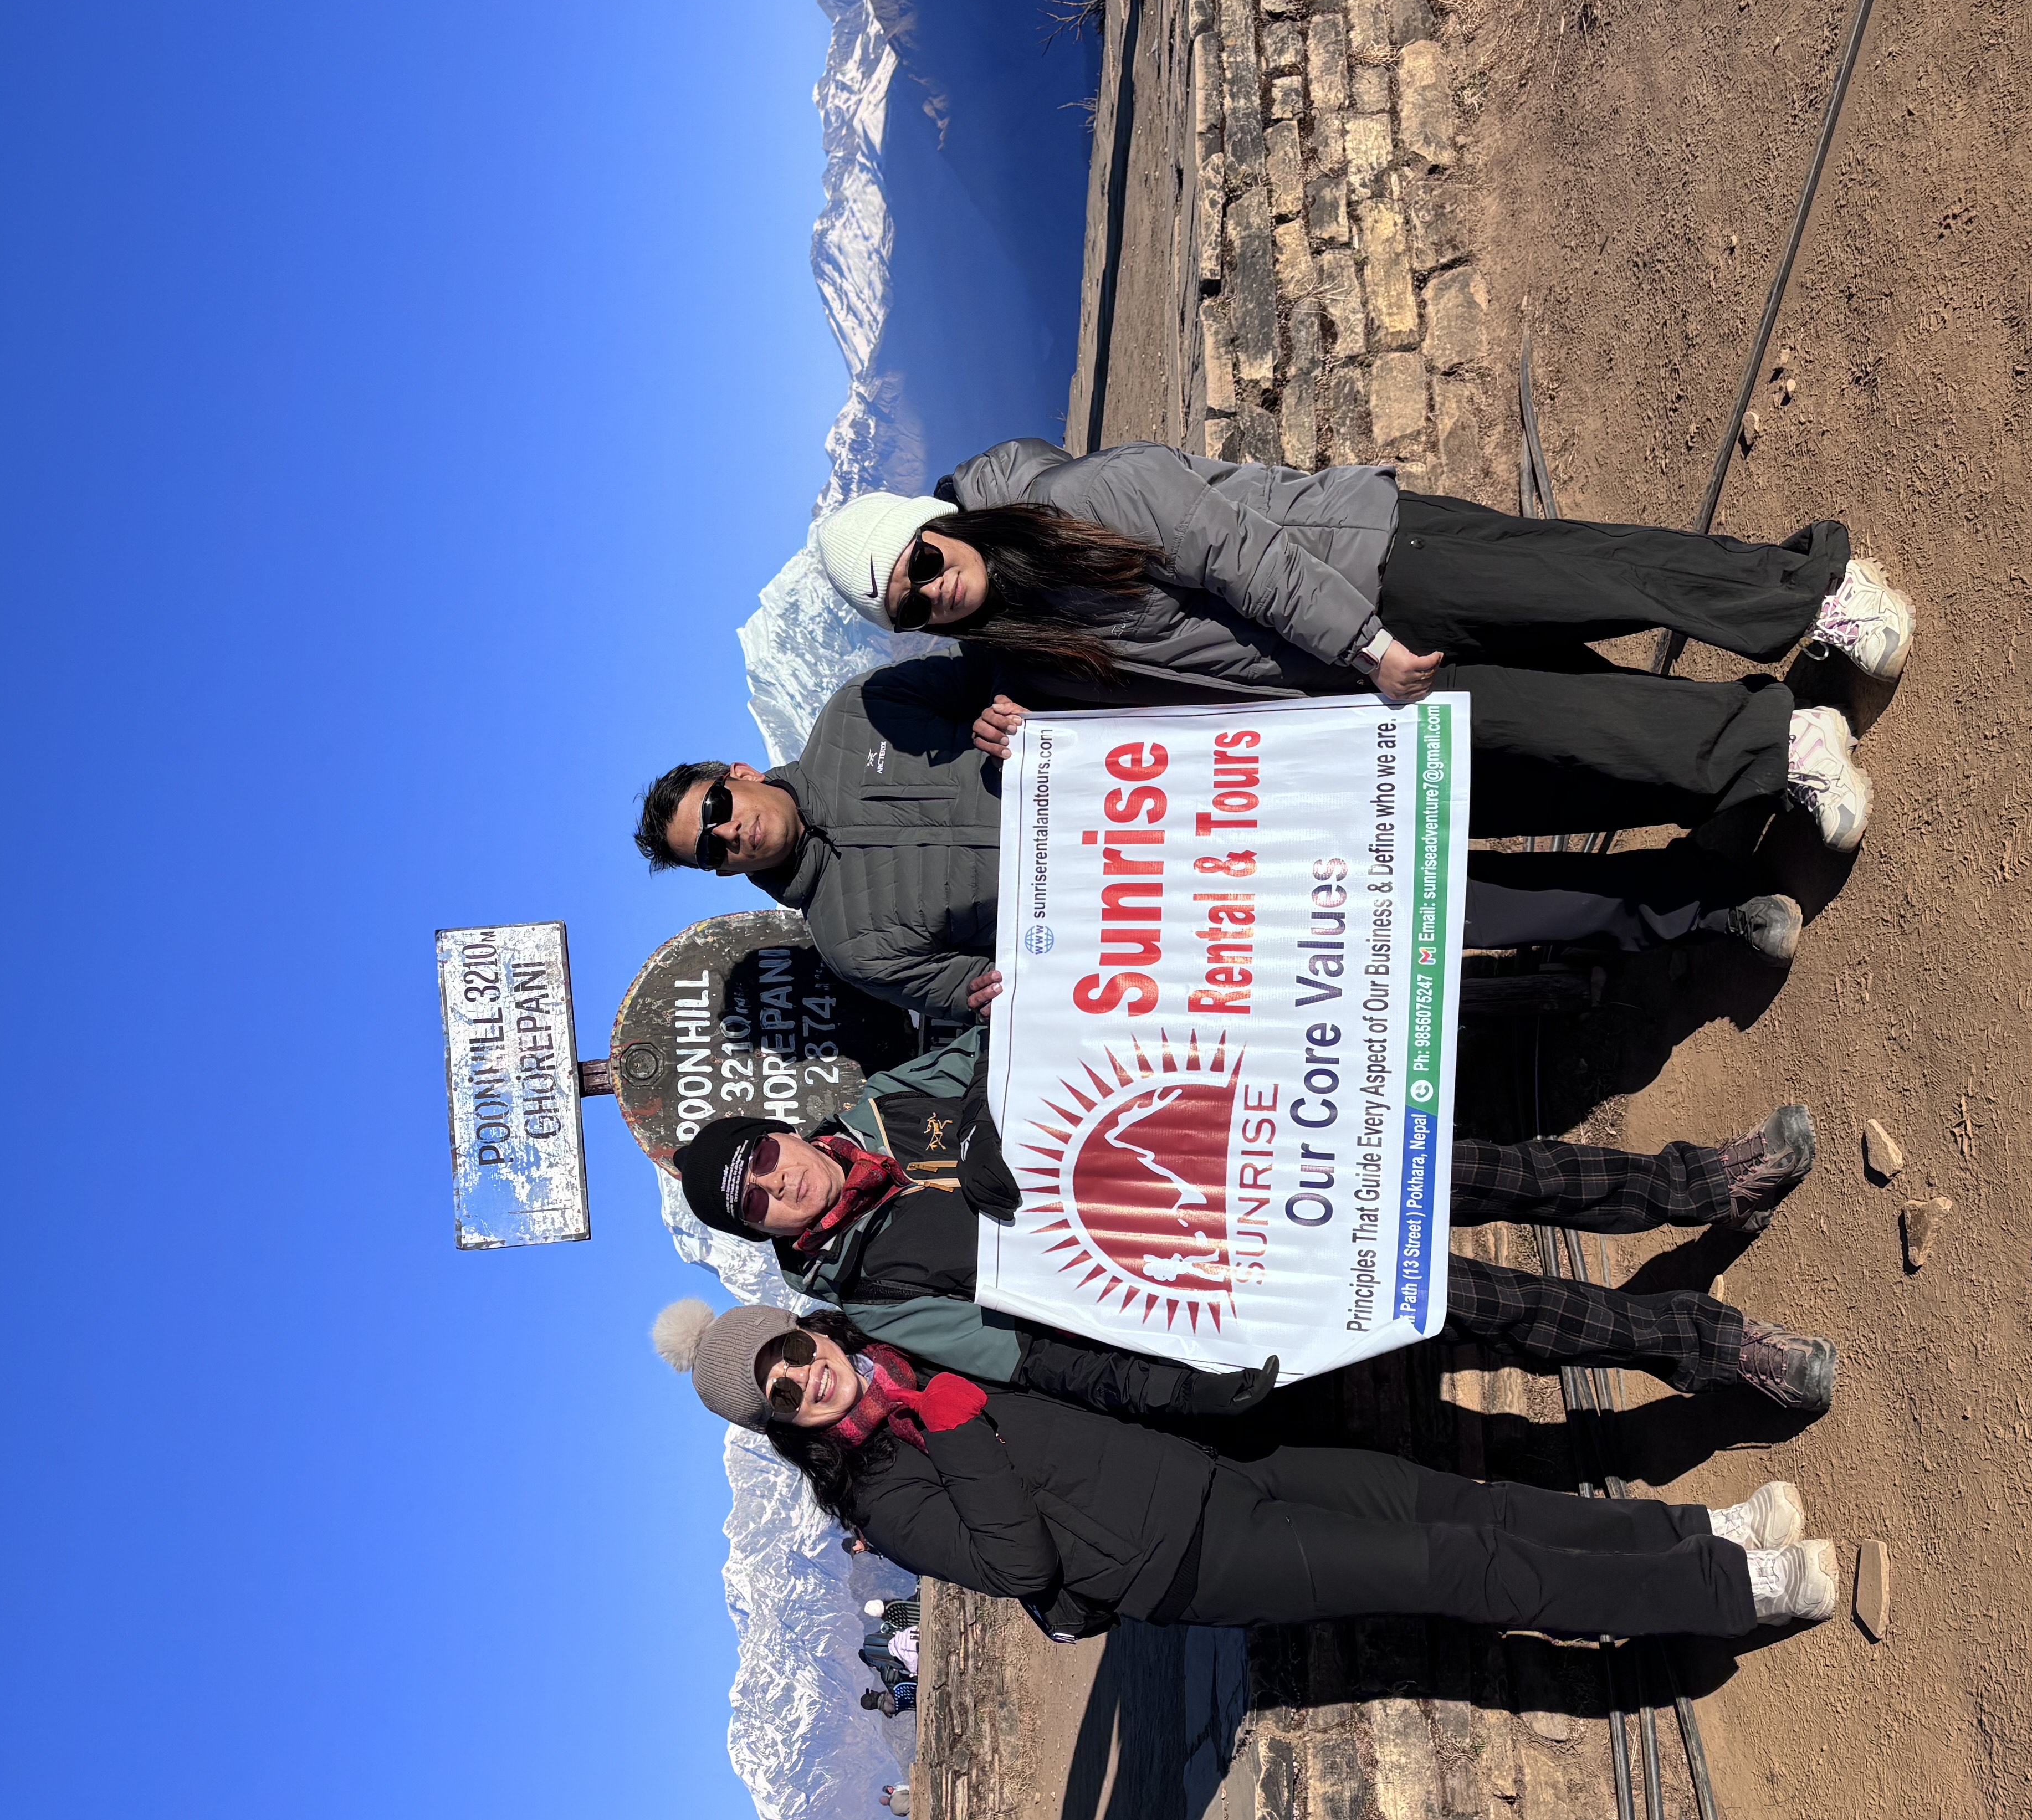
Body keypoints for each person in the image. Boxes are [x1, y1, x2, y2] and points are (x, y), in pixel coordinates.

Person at [663, 1027, 1835, 1417]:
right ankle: (1714, 1346)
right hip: (1214, 1268)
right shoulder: (866, 1291)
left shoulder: (880, 1105)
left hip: (1232, 1144)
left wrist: (979, 1108)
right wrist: (1177, 1381)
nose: (775, 1185)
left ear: (780, 1130)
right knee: (1489, 1307)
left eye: (760, 1159)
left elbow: (1006, 1038)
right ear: (763, 1231)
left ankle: (1706, 1186)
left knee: (1491, 1171)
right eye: (752, 1204)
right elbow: (1015, 1351)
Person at [807, 439, 1911, 849]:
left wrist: (1365, 641)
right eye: (909, 609)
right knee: (1566, 725)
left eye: (919, 564)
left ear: (934, 525)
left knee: (1588, 582)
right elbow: (1150, 745)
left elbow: (1239, 553)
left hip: (1372, 567)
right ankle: (1785, 744)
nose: (931, 593)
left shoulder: (1081, 499)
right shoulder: (1025, 664)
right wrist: (1034, 747)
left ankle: (1813, 594)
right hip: (1349, 692)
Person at [634, 670, 1803, 1023]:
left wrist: (1016, 713)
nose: (729, 835)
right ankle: (1702, 908)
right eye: (710, 850)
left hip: (1213, 780)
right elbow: (990, 993)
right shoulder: (847, 943)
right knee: (1460, 907)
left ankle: (1720, 770)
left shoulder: (856, 717)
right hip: (1196, 910)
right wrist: (1008, 988)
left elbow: (1004, 668)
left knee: (1465, 783)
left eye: (716, 809)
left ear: (736, 772)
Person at [654, 1302, 1844, 1639]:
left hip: (1216, 1466)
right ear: (786, 1427)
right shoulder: (880, 1491)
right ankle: (1736, 1596)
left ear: (805, 1332)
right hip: (1192, 1559)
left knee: (1468, 1504)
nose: (806, 1379)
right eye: (782, 1395)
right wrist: (959, 1430)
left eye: (791, 1355)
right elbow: (1013, 1562)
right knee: (1455, 1569)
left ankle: (1702, 1536)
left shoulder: (914, 1354)